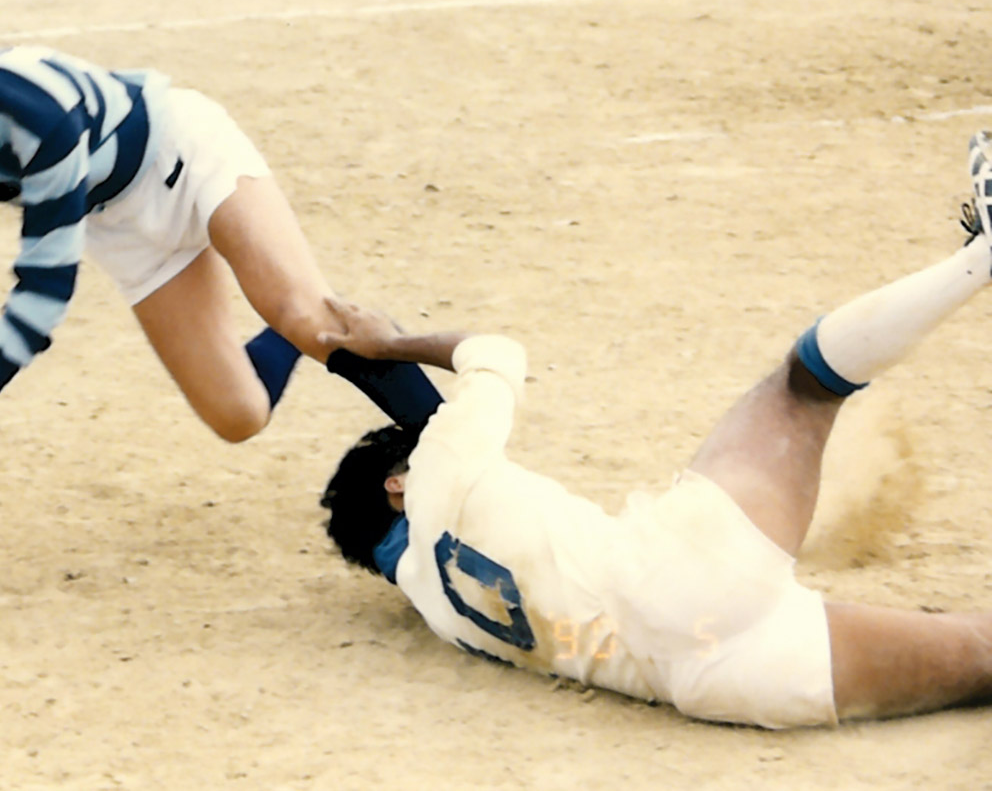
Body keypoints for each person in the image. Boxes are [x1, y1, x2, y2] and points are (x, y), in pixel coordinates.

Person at [317, 132, 992, 728]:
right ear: (396, 484)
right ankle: (981, 259)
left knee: (980, 654)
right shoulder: (437, 468)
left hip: (715, 681)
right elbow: (495, 353)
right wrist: (390, 345)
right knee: (804, 383)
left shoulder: (439, 612)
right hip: (680, 577)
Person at [0, 0, 442, 467]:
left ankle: (456, 444)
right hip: (117, 221)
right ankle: (301, 322)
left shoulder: (35, 118)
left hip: (182, 153)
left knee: (307, 318)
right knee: (239, 417)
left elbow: (44, 289)